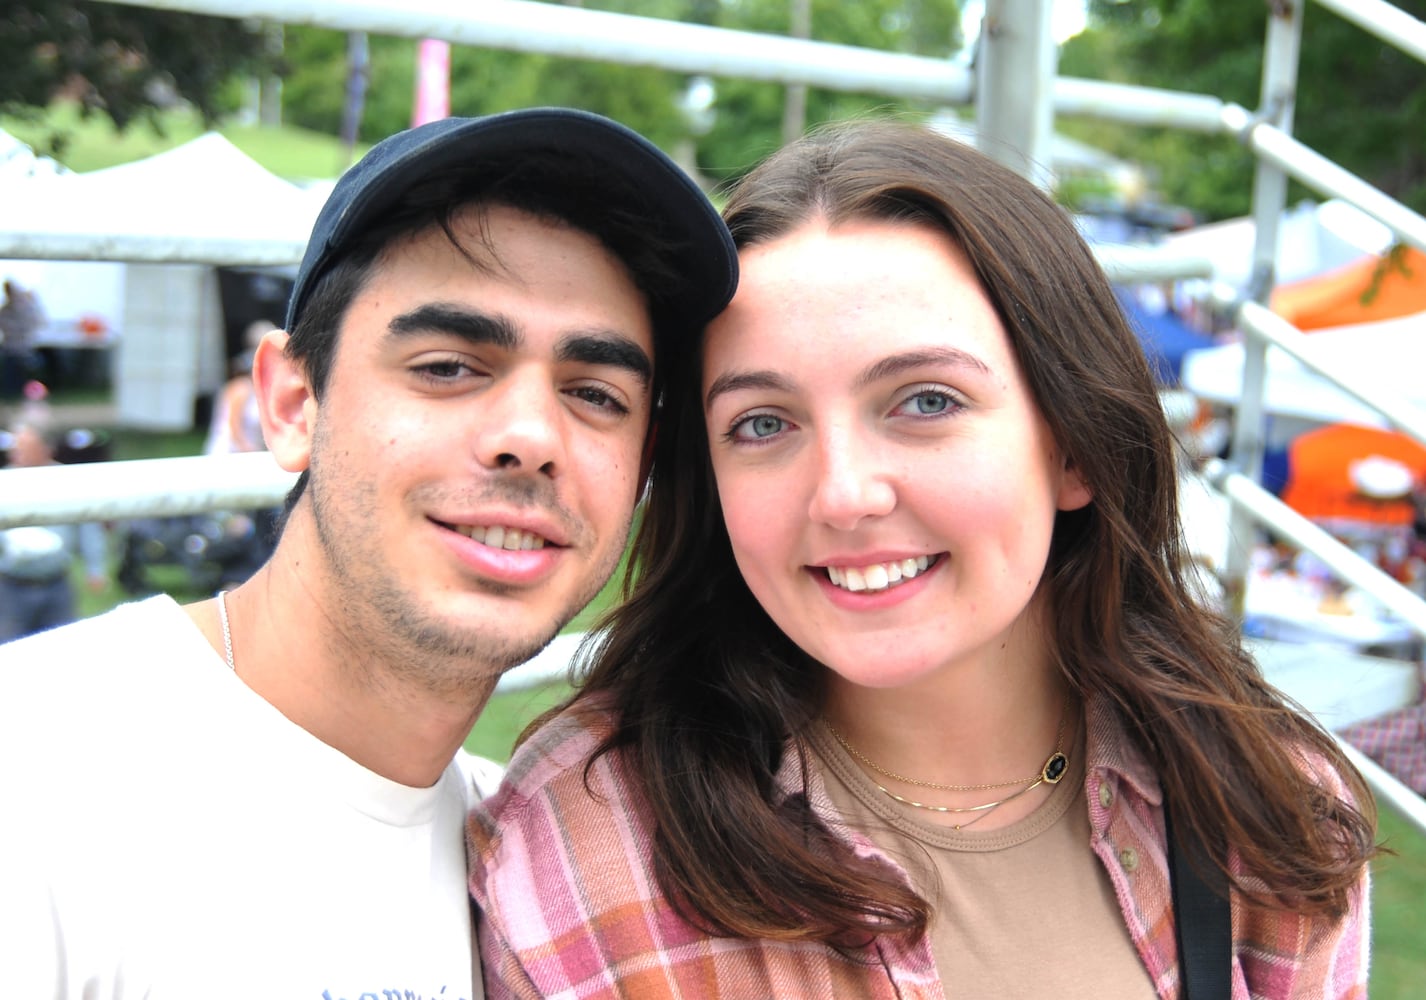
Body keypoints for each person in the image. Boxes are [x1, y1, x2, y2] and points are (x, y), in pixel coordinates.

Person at [469, 119, 1376, 998]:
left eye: (925, 401)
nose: (844, 493)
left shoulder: (1268, 810)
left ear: (1073, 445)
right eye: (763, 423)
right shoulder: (590, 852)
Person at [0, 107, 736, 998]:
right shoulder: (38, 782)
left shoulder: (533, 866)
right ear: (291, 405)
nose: (531, 437)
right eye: (448, 366)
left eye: (594, 393)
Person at [0, 415, 110, 643]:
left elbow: (89, 526)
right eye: (15, 448)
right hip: (11, 585)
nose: (16, 454)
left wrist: (95, 568)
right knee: (9, 650)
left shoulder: (66, 480)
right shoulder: (5, 482)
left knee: (61, 646)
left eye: (24, 448)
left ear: (45, 448)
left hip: (57, 582)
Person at [0, 278, 45, 408]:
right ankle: (10, 395)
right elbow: (5, 326)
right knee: (10, 371)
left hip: (25, 348)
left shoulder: (27, 307)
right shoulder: (5, 310)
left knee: (24, 371)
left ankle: (27, 396)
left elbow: (36, 323)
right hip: (10, 348)